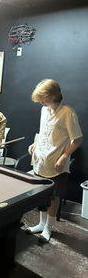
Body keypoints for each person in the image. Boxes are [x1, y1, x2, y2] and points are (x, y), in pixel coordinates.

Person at [26, 79, 83, 243]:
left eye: (43, 99)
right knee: (41, 194)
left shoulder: (67, 113)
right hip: (41, 160)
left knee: (53, 197)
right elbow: (43, 131)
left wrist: (64, 156)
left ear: (53, 95)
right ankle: (40, 223)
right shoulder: (45, 110)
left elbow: (77, 139)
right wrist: (35, 143)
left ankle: (48, 229)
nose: (41, 103)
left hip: (56, 163)